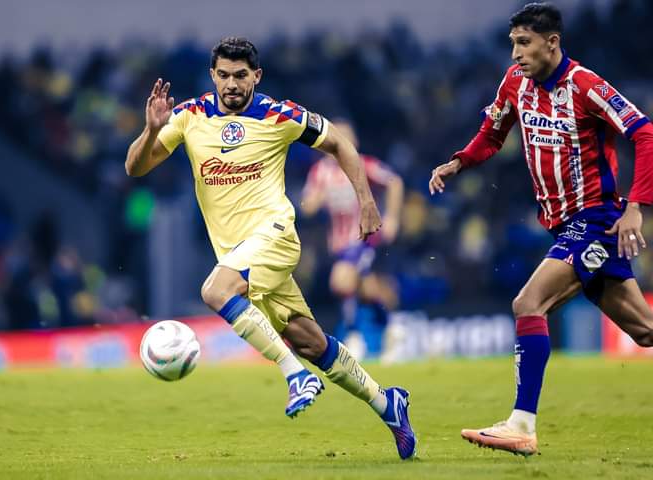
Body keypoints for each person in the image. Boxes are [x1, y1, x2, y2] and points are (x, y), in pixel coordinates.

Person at [125, 37, 416, 459]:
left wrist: (366, 201)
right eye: (223, 75)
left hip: (275, 235)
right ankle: (387, 403)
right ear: (213, 76)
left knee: (215, 291)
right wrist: (151, 127)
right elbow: (136, 167)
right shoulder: (189, 116)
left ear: (256, 76)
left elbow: (340, 144)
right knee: (310, 340)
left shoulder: (280, 115)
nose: (231, 84)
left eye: (240, 76)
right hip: (239, 254)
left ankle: (294, 376)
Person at [429, 2, 653, 456]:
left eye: (524, 43)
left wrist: (636, 207)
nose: (515, 53)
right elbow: (492, 134)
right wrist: (459, 162)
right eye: (513, 43)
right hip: (563, 225)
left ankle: (521, 424)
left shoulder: (586, 87)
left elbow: (644, 132)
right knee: (645, 330)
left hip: (595, 220)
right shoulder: (515, 83)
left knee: (528, 302)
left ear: (552, 42)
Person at [301, 120, 404, 359]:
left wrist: (392, 218)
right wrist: (315, 199)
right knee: (367, 290)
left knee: (341, 281)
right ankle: (392, 327)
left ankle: (354, 336)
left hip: (364, 237)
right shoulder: (320, 172)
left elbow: (394, 181)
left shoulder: (362, 164)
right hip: (338, 244)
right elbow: (307, 208)